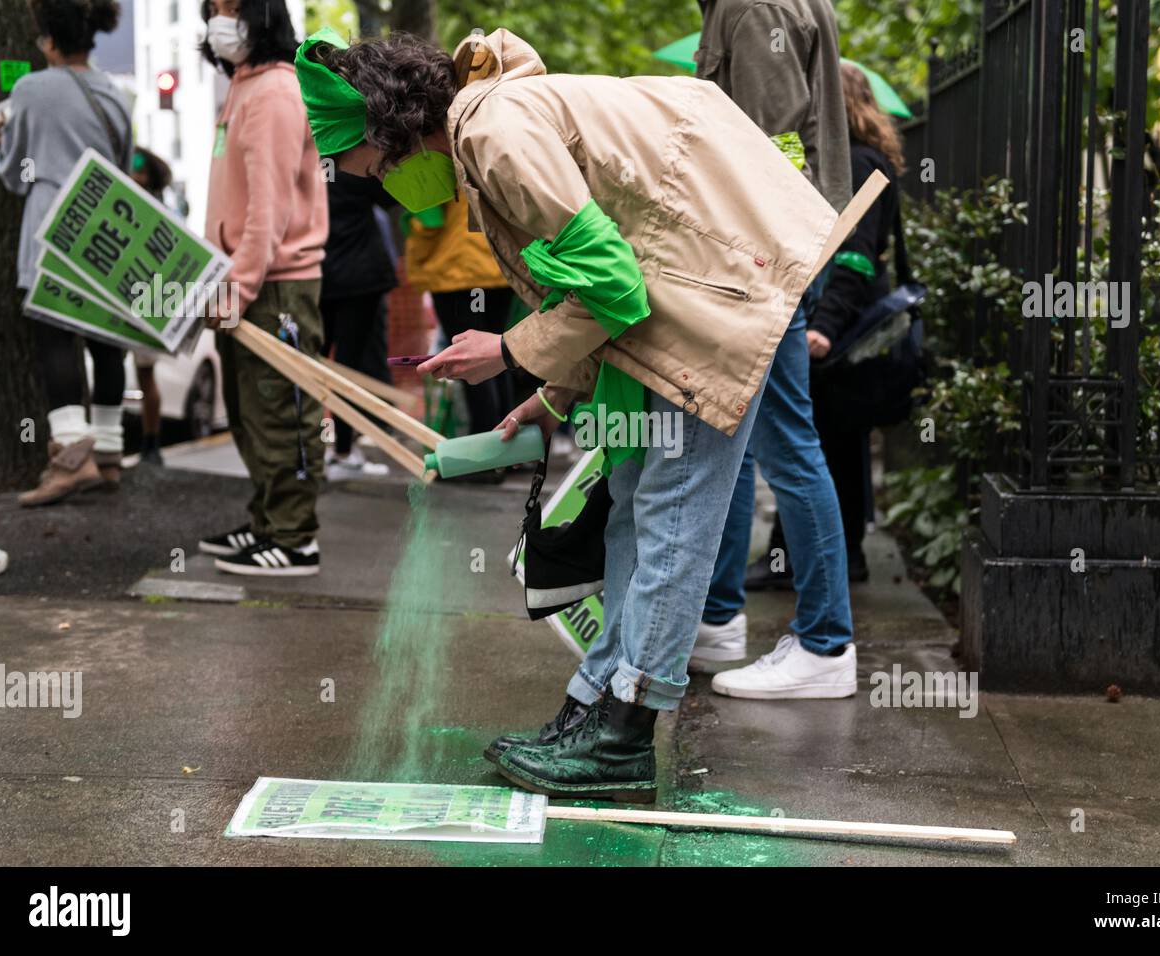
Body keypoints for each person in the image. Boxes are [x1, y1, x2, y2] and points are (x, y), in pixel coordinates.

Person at [298, 26, 838, 801]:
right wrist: (550, 393)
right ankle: (594, 702)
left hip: (731, 277)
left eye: (377, 168)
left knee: (673, 508)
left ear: (396, 131)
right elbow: (596, 283)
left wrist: (509, 349)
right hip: (697, 276)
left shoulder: (493, 134)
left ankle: (624, 734)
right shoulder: (484, 128)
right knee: (628, 507)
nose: (386, 188)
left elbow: (613, 283)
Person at [690, 0, 860, 700]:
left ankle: (825, 643)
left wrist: (747, 258)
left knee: (785, 438)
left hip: (767, 248)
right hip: (775, 244)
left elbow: (771, 141)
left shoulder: (750, 5)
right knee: (734, 430)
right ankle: (718, 618)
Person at [195, 0, 329, 576]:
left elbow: (269, 211)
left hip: (276, 287)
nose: (219, 17)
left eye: (231, 6)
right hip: (249, 282)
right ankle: (268, 522)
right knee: (249, 412)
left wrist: (237, 288)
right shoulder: (243, 86)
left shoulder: (275, 91)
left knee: (281, 412)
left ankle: (296, 537)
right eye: (213, 7)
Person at [0, 0, 131, 506]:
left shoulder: (30, 89)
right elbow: (121, 162)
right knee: (106, 343)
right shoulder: (112, 93)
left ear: (49, 39)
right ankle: (112, 456)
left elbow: (14, 172)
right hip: (107, 232)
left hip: (51, 227)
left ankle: (72, 459)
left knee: (56, 338)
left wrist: (2, 139)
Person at [805, 63, 907, 582]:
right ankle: (838, 553)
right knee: (837, 442)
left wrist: (823, 325)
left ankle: (841, 558)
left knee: (830, 443)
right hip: (853, 325)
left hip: (844, 331)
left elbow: (857, 257)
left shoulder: (862, 166)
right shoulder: (873, 161)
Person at [405, 194, 516, 443]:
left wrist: (418, 260)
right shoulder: (485, 158)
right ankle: (509, 445)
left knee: (469, 360)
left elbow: (428, 220)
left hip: (457, 270)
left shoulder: (437, 162)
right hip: (499, 267)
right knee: (500, 353)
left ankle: (485, 451)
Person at [319, 170, 398, 481]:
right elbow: (391, 197)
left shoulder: (305, 166)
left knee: (314, 367)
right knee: (349, 368)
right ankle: (342, 451)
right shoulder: (351, 163)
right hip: (360, 280)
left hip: (319, 277)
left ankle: (316, 451)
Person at [128, 147, 174, 465]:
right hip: (143, 297)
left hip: (146, 297)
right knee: (142, 374)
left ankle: (151, 442)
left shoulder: (150, 208)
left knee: (144, 373)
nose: (133, 172)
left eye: (138, 168)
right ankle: (150, 443)